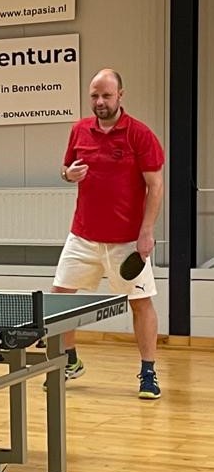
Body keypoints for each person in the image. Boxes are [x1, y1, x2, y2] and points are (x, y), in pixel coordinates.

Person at [54, 68, 164, 400]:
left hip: (127, 240)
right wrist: (68, 175)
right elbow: (66, 169)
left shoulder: (139, 134)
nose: (100, 101)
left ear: (120, 96)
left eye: (106, 95)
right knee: (59, 298)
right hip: (83, 235)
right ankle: (70, 360)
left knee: (140, 303)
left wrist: (146, 232)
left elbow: (156, 185)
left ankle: (148, 372)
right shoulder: (79, 130)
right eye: (94, 95)